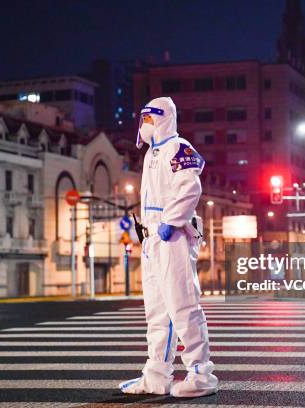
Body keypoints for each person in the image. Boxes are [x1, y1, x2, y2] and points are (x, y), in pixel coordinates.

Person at [119, 97, 218, 398]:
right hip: (152, 241)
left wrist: (171, 221)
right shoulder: (152, 154)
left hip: (171, 238)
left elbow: (191, 187)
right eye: (143, 119)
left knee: (183, 306)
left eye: (149, 119)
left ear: (163, 118)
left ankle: (201, 374)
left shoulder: (179, 147)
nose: (144, 125)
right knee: (157, 312)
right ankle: (156, 375)